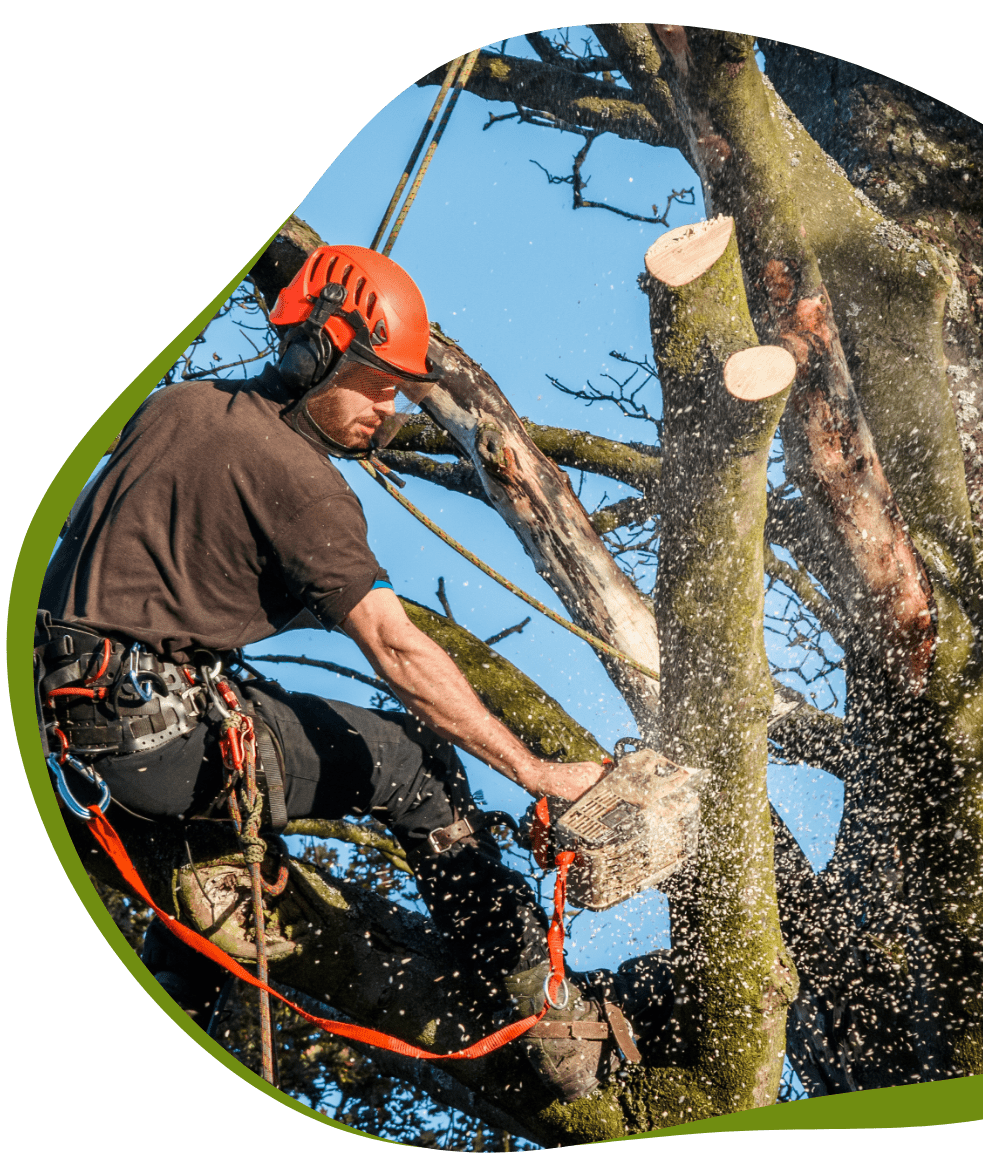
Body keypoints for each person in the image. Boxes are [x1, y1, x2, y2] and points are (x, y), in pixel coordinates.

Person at [36, 244, 621, 1103]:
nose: (386, 409)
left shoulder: (177, 407)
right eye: (377, 382)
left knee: (227, 909)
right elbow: (394, 647)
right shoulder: (301, 484)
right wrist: (536, 773)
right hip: (153, 737)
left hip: (71, 738)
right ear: (316, 353)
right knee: (413, 764)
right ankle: (542, 1008)